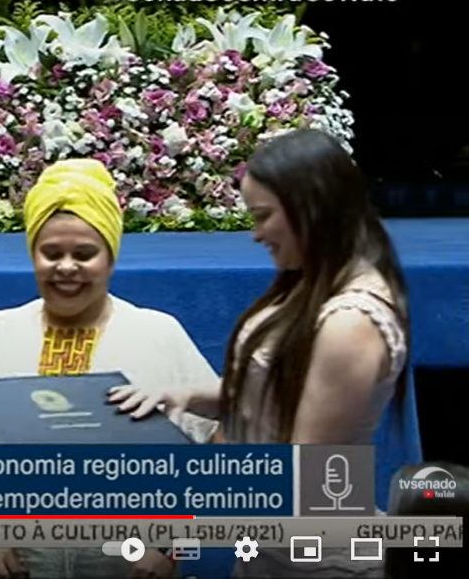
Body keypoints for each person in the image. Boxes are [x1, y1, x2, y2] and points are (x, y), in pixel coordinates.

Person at [111, 128, 410, 578]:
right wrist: (187, 395)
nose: (255, 235)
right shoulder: (309, 282)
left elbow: (305, 477)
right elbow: (272, 394)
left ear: (310, 209)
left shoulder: (351, 324)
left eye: (263, 216)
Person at [0, 159, 221, 579]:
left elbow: (214, 452)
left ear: (110, 258)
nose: (66, 267)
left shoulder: (158, 333)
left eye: (85, 254)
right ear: (33, 255)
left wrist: (170, 546)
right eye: (51, 253)